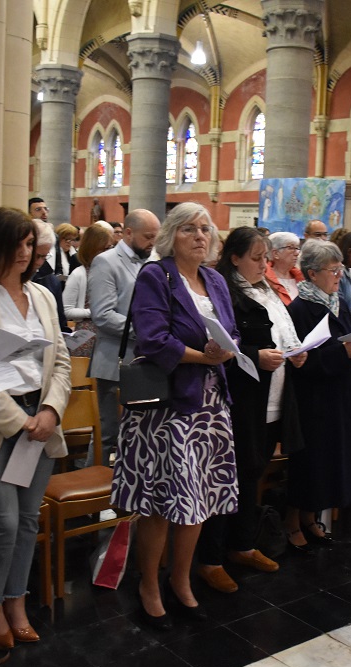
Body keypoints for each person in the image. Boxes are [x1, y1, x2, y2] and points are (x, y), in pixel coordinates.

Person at [110, 202, 240, 629]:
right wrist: (204, 356)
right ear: (170, 236)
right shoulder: (156, 275)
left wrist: (225, 351)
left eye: (205, 229)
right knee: (162, 505)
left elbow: (233, 332)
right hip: (167, 407)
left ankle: (181, 580)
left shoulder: (215, 279)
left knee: (198, 499)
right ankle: (149, 584)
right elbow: (152, 339)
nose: (200, 236)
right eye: (189, 229)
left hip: (210, 405)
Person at [0, 207, 71, 647]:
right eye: (16, 244)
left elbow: (60, 361)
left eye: (29, 244)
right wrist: (19, 421)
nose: (25, 253)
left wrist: (50, 411)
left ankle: (15, 599)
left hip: (40, 416)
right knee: (3, 521)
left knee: (26, 520)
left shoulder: (41, 295)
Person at [195, 228, 307, 593]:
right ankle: (210, 558)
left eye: (265, 258)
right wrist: (256, 356)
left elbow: (283, 333)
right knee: (229, 477)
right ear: (235, 258)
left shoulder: (266, 290)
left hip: (274, 397)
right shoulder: (225, 293)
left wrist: (296, 351)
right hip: (242, 398)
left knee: (253, 473)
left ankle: (242, 544)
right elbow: (219, 345)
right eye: (256, 258)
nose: (264, 264)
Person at [286, 240, 351, 548]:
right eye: (333, 270)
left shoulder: (339, 304)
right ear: (312, 273)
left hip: (341, 393)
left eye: (340, 269)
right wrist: (342, 353)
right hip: (314, 398)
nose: (339, 276)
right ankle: (292, 522)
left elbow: (348, 344)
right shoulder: (299, 309)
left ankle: (311, 517)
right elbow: (300, 360)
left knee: (331, 461)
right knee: (311, 462)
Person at [87, 209, 160, 467]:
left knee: (141, 433)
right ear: (128, 233)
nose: (153, 242)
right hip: (114, 362)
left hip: (145, 361)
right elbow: (103, 315)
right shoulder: (106, 262)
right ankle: (94, 485)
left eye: (156, 236)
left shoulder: (152, 261)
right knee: (109, 434)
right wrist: (145, 331)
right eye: (148, 236)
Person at [63, 223, 114, 357]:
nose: (109, 253)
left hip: (108, 335)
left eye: (110, 248)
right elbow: (67, 310)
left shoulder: (111, 273)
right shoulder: (78, 274)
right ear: (93, 249)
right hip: (85, 336)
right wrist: (95, 312)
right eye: (104, 249)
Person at [265, 231, 303, 304]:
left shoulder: (301, 277)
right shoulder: (265, 279)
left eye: (297, 248)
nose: (297, 253)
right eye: (291, 248)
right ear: (276, 253)